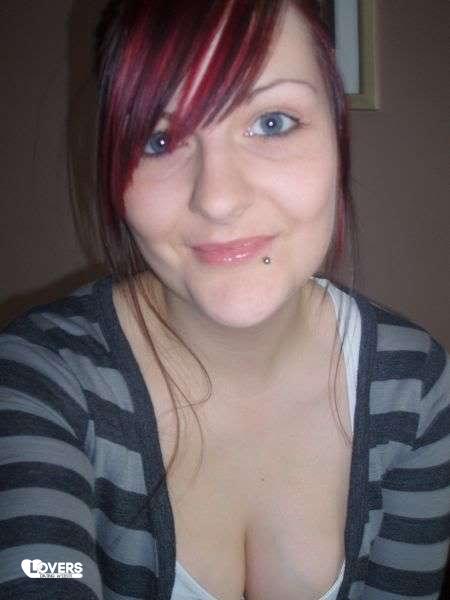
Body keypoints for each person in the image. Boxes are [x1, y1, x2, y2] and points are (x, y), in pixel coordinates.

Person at [0, 1, 449, 599]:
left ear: (338, 137)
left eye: (272, 123)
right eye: (160, 139)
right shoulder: (39, 379)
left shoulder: (414, 386)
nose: (217, 198)